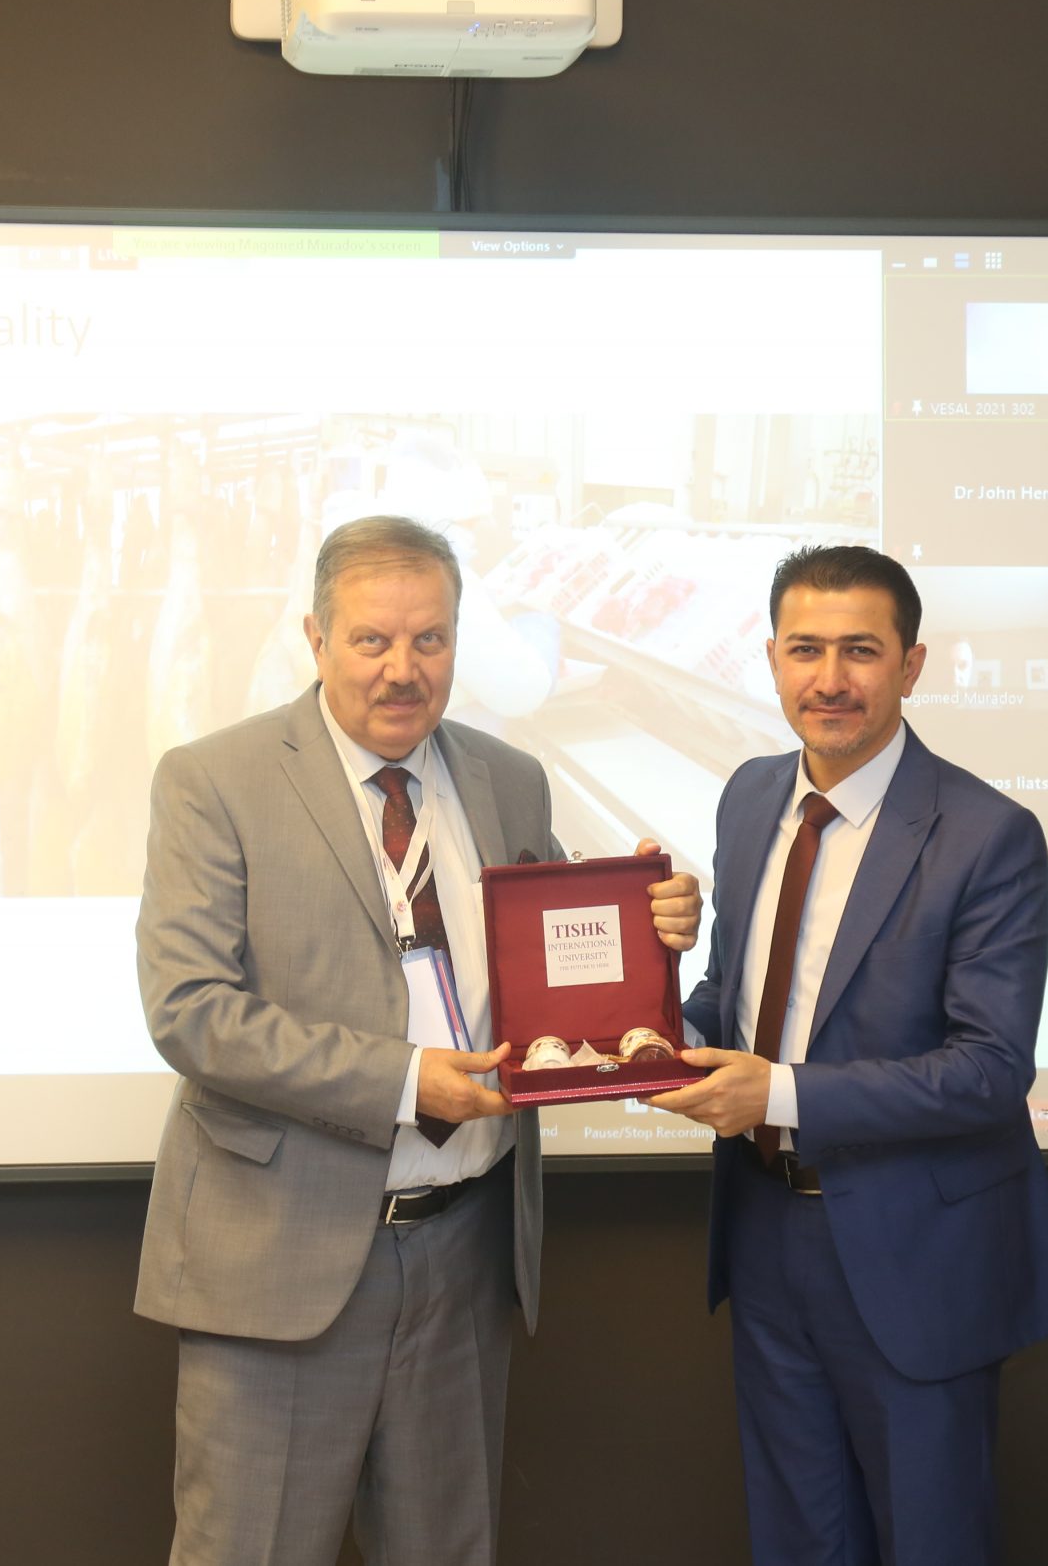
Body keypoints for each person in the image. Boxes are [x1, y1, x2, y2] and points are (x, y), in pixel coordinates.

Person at [133, 514, 702, 1566]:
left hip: (463, 1258)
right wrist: (405, 1083)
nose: (403, 669)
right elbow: (192, 1010)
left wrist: (653, 928)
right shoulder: (215, 781)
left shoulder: (508, 779)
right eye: (372, 640)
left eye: (429, 639)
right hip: (282, 1259)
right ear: (316, 638)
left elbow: (563, 967)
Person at [653, 545, 1048, 1566]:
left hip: (912, 1251)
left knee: (930, 1541)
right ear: (771, 658)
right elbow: (733, 1000)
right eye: (805, 649)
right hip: (764, 1232)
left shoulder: (988, 834)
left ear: (911, 664)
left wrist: (778, 1093)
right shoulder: (749, 797)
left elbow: (989, 1071)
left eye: (860, 650)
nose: (830, 678)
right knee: (797, 1540)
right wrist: (654, 1016)